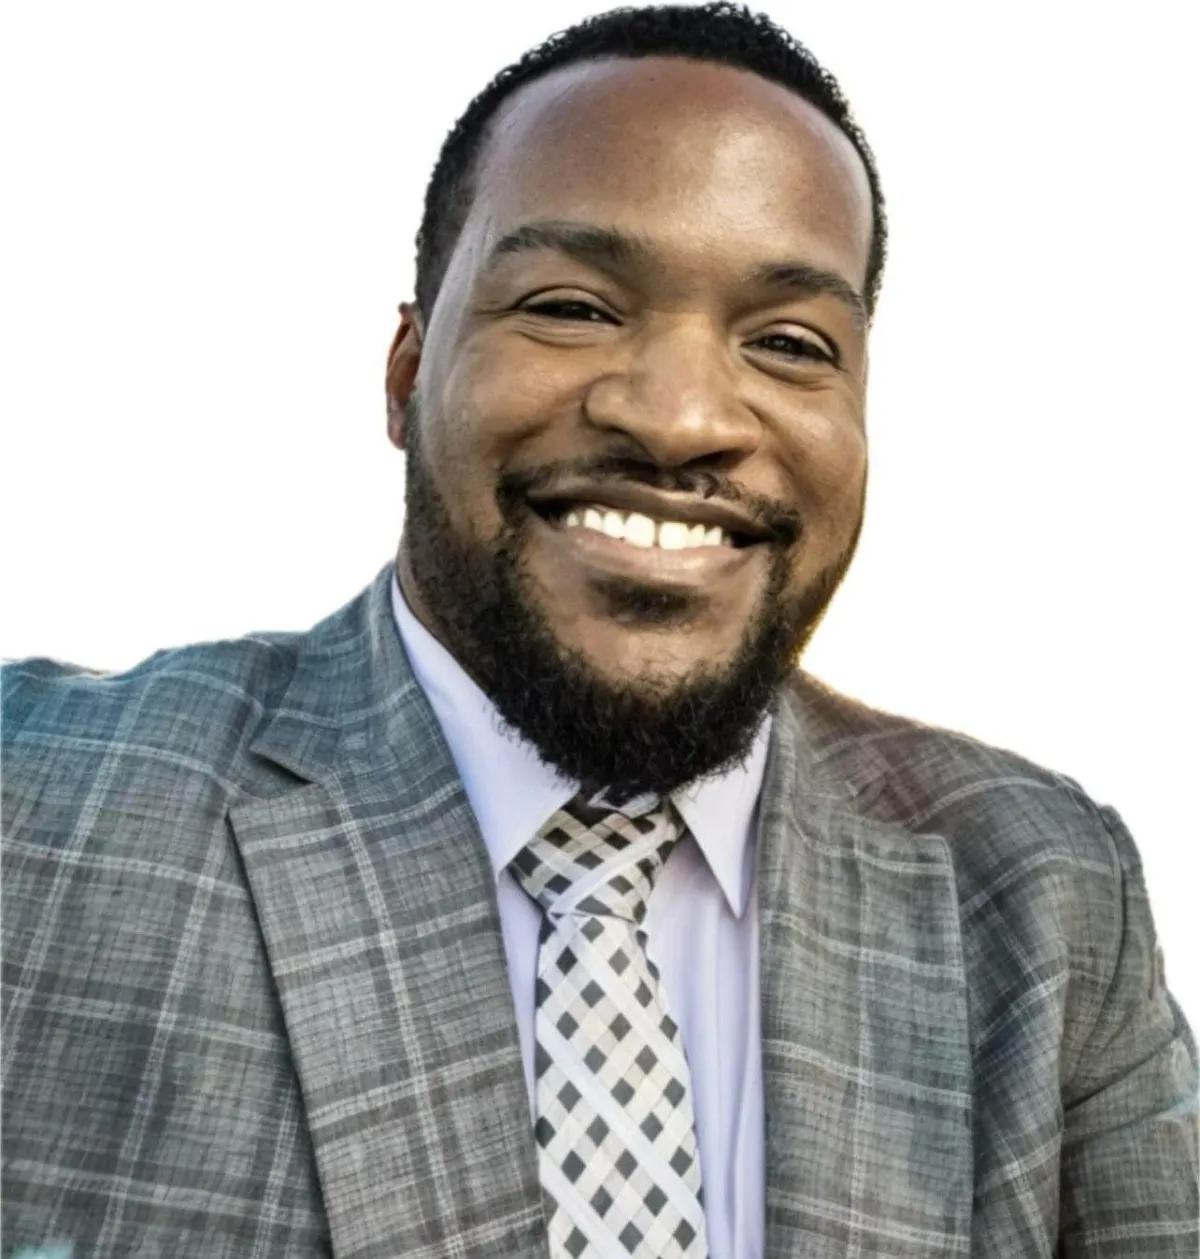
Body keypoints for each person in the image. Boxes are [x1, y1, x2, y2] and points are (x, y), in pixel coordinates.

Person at [2, 2, 1196, 1255]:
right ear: (407, 373)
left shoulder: (1045, 895)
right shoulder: (42, 813)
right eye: (573, 307)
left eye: (790, 342)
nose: (679, 419)